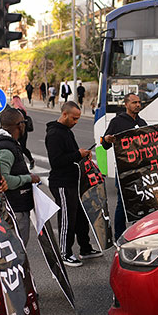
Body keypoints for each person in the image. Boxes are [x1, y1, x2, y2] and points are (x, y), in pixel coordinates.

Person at [45, 101, 102, 266]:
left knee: (81, 217)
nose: (76, 122)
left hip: (73, 181)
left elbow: (71, 154)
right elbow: (56, 161)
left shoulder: (66, 131)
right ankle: (65, 253)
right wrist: (78, 154)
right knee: (67, 218)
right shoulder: (55, 134)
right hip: (62, 182)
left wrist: (82, 155)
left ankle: (85, 248)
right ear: (64, 114)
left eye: (78, 118)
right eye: (74, 118)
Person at [0, 106, 40, 246]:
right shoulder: (6, 148)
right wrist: (28, 178)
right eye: (24, 123)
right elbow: (4, 179)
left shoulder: (6, 143)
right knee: (17, 248)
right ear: (20, 126)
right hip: (14, 207)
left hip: (12, 205)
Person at [101, 93, 149, 240]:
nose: (138, 105)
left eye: (139, 102)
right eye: (134, 102)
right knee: (123, 203)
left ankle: (138, 232)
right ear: (126, 104)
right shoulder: (117, 122)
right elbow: (104, 145)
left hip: (140, 170)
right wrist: (108, 139)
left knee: (141, 201)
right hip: (124, 169)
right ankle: (119, 236)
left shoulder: (142, 123)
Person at [11, 95, 35, 169]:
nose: (11, 102)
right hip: (23, 132)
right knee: (22, 148)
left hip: (19, 131)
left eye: (12, 100)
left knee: (20, 148)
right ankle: (30, 160)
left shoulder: (17, 111)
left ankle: (24, 163)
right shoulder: (23, 110)